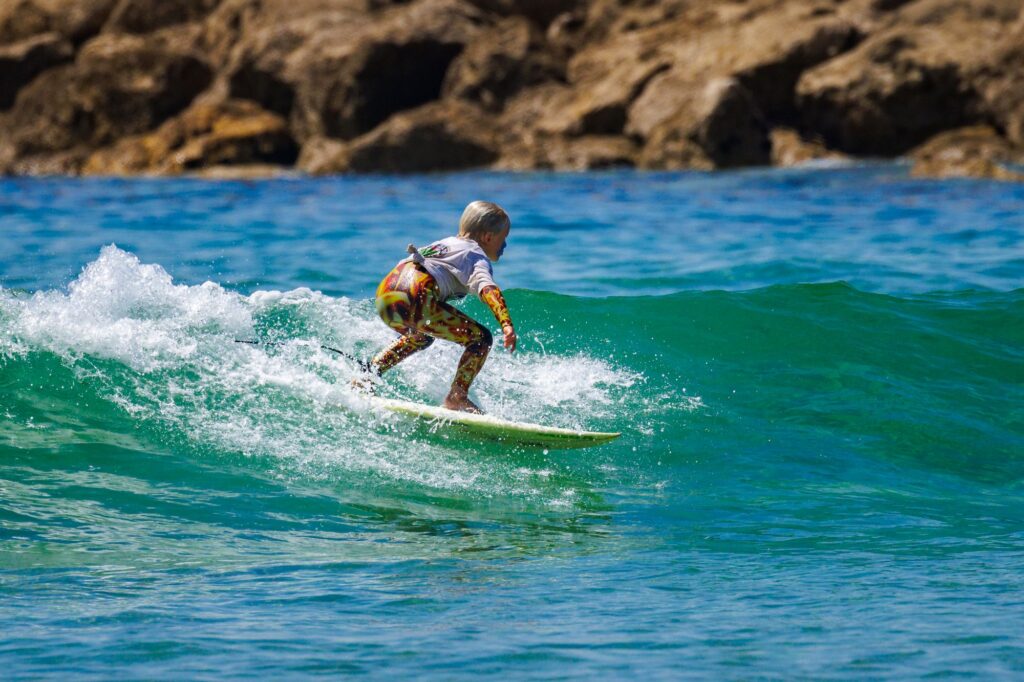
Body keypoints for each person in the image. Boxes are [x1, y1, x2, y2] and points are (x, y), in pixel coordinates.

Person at [365, 200, 516, 413]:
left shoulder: (444, 244)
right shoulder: (475, 255)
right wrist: (506, 323)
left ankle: (367, 375)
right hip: (416, 295)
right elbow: (488, 289)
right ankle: (457, 397)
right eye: (504, 238)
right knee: (481, 339)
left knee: (421, 336)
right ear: (488, 237)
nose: (505, 245)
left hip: (386, 294)